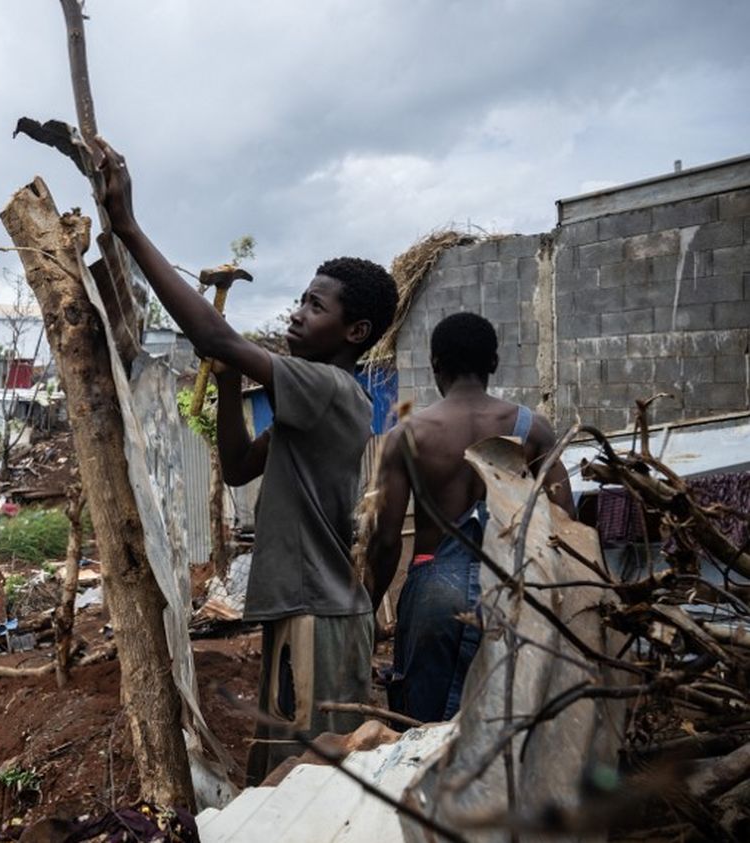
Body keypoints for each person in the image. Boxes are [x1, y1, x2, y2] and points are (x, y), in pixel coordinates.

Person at [93, 138, 398, 783]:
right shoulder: (310, 400)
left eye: (316, 305)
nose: (298, 312)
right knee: (293, 775)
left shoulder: (330, 388)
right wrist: (228, 375)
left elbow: (212, 333)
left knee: (319, 784)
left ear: (355, 333)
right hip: (305, 610)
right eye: (301, 300)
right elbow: (234, 466)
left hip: (323, 615)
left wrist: (127, 227)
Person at [367, 311, 575, 724]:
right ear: (494, 363)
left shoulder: (407, 435)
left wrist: (368, 610)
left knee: (422, 730)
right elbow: (562, 521)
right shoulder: (533, 428)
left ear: (435, 366)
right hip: (511, 586)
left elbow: (386, 538)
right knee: (508, 723)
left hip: (433, 588)